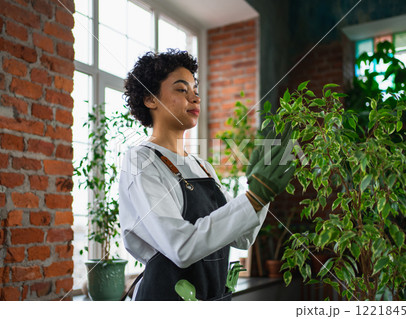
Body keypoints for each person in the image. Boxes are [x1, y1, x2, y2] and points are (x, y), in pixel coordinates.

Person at [119, 49, 294, 301]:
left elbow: (243, 237)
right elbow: (181, 248)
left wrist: (260, 190)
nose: (195, 98)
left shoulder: (202, 167)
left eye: (195, 90)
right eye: (182, 89)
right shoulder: (141, 161)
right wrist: (254, 198)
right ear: (150, 99)